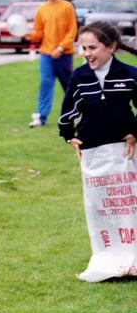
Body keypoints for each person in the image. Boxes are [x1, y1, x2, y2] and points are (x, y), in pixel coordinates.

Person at [58, 21, 137, 281]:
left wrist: (135, 133)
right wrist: (69, 136)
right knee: (101, 209)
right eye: (83, 48)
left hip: (124, 152)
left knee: (128, 206)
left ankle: (132, 258)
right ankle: (107, 257)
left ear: (111, 47)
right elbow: (68, 111)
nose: (87, 53)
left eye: (93, 47)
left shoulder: (129, 74)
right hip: (93, 152)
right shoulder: (79, 76)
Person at [24, 0, 78, 127]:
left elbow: (72, 31)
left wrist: (61, 47)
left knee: (68, 85)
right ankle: (41, 117)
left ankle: (74, 113)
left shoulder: (67, 7)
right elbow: (39, 32)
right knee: (45, 83)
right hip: (47, 54)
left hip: (64, 55)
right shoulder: (42, 9)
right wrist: (29, 36)